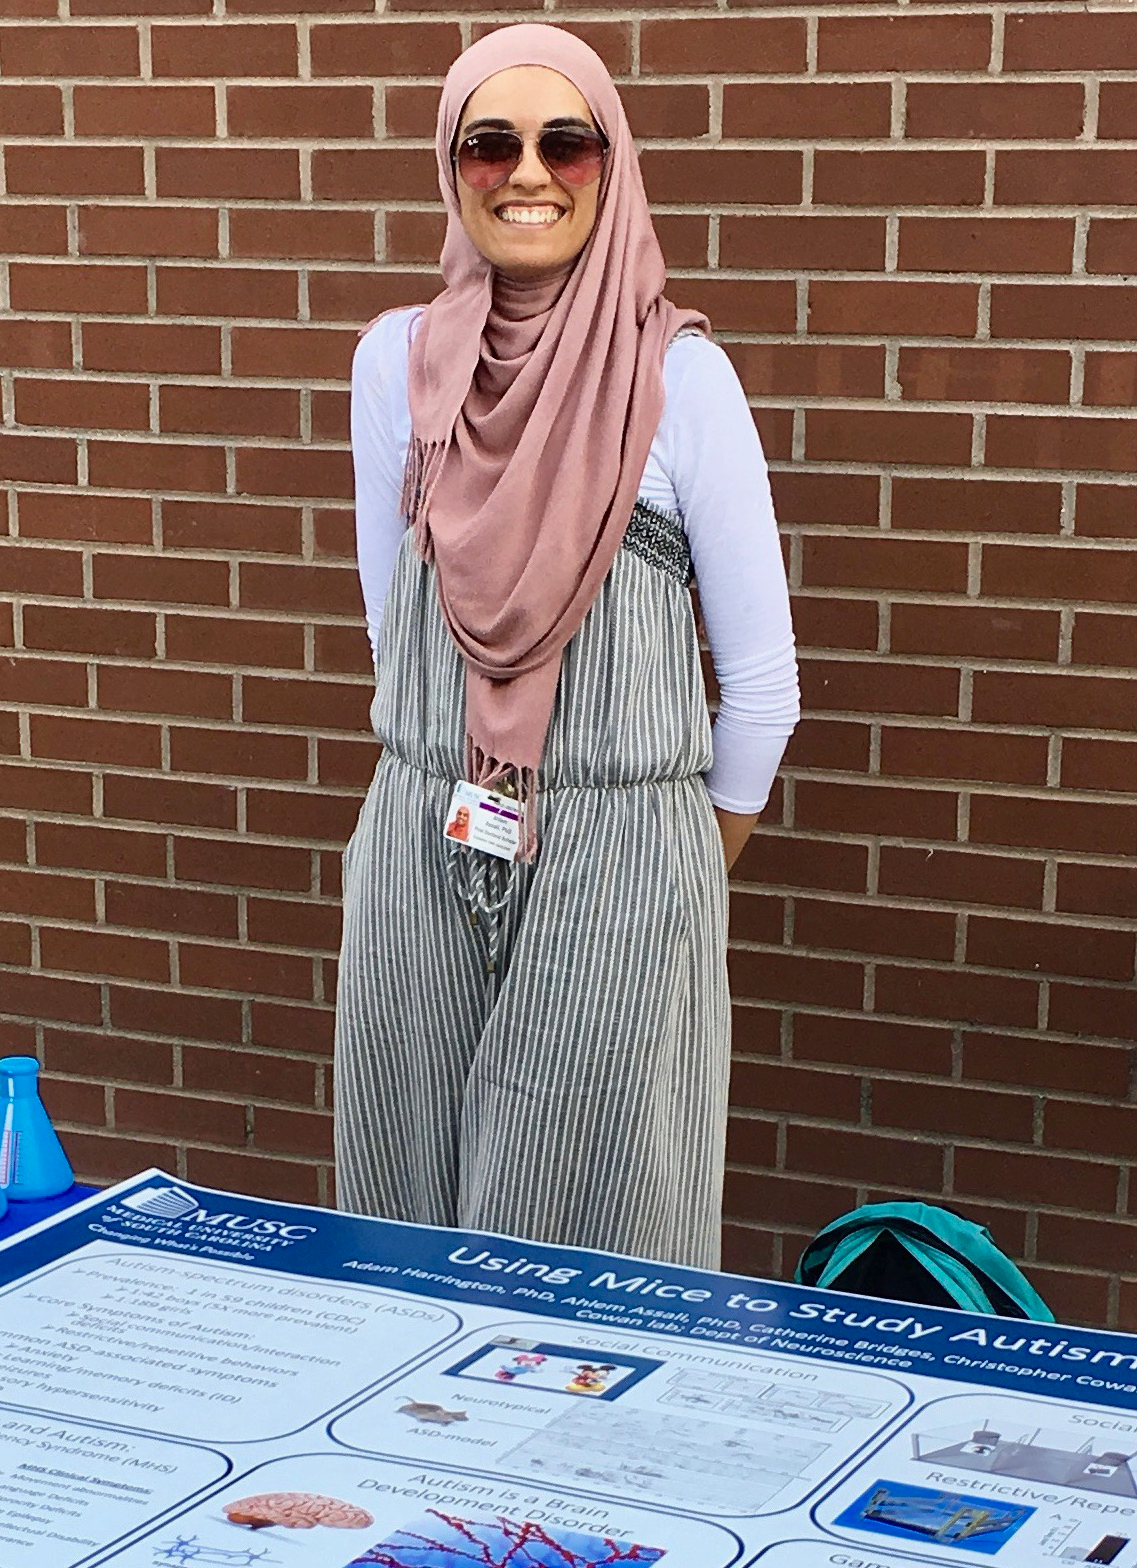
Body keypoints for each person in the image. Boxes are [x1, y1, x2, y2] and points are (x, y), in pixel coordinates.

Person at [334, 24, 799, 1269]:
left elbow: (761, 688)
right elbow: (397, 628)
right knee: (400, 1209)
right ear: (452, 167)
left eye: (564, 142)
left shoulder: (683, 382)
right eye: (489, 143)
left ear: (611, 163)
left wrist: (662, 872)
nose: (526, 173)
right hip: (420, 835)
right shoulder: (396, 364)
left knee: (587, 1254)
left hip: (621, 854)